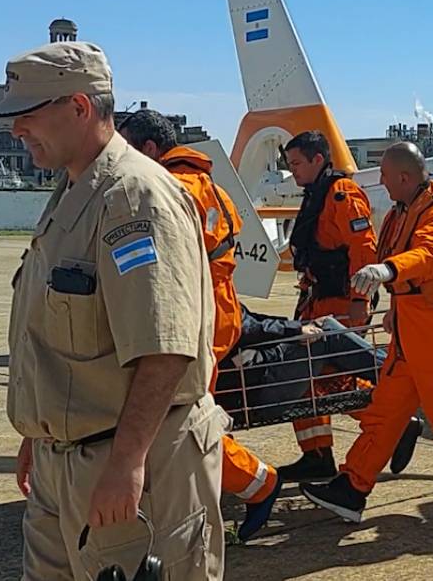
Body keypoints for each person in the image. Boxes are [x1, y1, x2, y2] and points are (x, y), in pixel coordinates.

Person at [0, 42, 228, 579]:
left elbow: (165, 347)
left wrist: (126, 463)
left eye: (27, 115)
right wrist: (40, 432)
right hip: (64, 465)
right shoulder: (75, 190)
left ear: (78, 107)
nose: (17, 130)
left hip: (126, 465)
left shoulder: (134, 197)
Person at [301, 142, 433, 531]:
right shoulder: (403, 209)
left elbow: (431, 256)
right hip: (414, 324)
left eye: (385, 177)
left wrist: (388, 271)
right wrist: (394, 305)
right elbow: (408, 264)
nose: (381, 184)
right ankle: (351, 488)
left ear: (405, 178)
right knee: (385, 411)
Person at [118, 109, 280, 542]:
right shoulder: (205, 185)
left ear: (150, 149)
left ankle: (258, 483)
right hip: (214, 310)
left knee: (181, 422)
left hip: (196, 315)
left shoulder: (172, 190)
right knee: (178, 419)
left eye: (128, 151)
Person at [281, 131, 422, 482]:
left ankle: (396, 423)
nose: (293, 171)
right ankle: (316, 454)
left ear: (318, 159)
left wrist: (360, 301)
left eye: (297, 164)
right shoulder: (316, 194)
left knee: (334, 381)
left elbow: (364, 249)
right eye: (290, 165)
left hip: (340, 301)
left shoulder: (342, 195)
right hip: (317, 301)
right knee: (304, 379)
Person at [214, 306, 388, 426]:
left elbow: (249, 321)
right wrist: (295, 330)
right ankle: (395, 374)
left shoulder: (207, 286)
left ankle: (393, 376)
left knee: (323, 328)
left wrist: (299, 327)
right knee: (326, 334)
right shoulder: (212, 290)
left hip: (255, 373)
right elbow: (244, 327)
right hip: (254, 392)